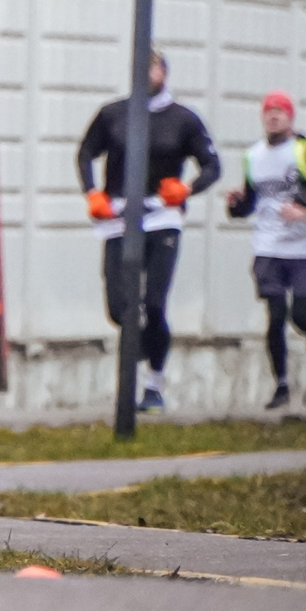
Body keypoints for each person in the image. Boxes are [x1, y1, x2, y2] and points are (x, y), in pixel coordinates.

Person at [75, 48, 221, 412]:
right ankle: (139, 351)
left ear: (164, 72)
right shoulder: (114, 114)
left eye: (151, 67)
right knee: (120, 307)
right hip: (120, 215)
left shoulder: (183, 119)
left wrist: (187, 189)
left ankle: (153, 384)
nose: (144, 73)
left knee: (154, 303)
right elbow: (85, 152)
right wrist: (92, 192)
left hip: (161, 216)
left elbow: (212, 164)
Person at [225, 91, 306, 409]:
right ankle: (281, 385)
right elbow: (250, 204)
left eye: (280, 111)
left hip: (303, 249)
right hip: (267, 246)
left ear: (291, 118)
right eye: (269, 112)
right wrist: (235, 204)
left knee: (300, 311)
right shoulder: (254, 156)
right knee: (275, 315)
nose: (273, 116)